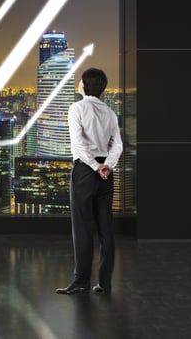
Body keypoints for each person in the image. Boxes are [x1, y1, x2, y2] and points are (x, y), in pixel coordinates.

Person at [56, 67, 122, 295]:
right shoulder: (111, 113)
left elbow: (77, 144)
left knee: (82, 228)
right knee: (106, 228)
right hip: (106, 174)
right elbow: (118, 145)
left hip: (85, 171)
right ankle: (104, 283)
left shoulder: (76, 108)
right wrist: (107, 166)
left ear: (84, 86)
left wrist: (95, 166)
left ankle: (81, 281)